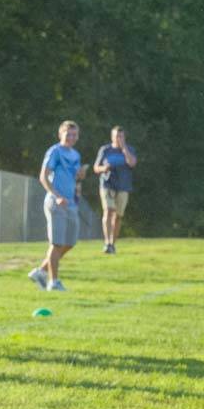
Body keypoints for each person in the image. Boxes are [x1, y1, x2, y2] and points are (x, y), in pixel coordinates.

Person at [29, 121, 86, 292]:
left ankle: (40, 272)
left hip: (70, 203)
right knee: (57, 243)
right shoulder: (55, 151)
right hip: (56, 202)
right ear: (60, 134)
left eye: (74, 134)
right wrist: (57, 196)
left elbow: (73, 177)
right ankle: (53, 282)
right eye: (68, 134)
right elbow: (43, 177)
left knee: (70, 242)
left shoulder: (75, 154)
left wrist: (80, 176)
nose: (71, 137)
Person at [94, 125, 137, 254]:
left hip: (123, 186)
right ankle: (107, 242)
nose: (119, 138)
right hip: (107, 184)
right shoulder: (105, 150)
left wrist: (124, 149)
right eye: (116, 136)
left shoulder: (129, 149)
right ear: (112, 137)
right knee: (108, 210)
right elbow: (96, 168)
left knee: (118, 216)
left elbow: (132, 163)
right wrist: (104, 168)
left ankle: (113, 243)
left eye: (121, 136)